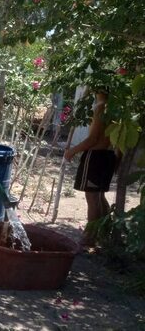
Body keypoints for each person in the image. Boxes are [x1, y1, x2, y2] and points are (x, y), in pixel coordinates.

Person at [64, 91, 117, 247]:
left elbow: (93, 139)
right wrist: (117, 161)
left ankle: (89, 238)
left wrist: (72, 152)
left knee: (92, 198)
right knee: (99, 196)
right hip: (108, 156)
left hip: (96, 157)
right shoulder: (115, 109)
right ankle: (105, 232)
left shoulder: (101, 109)